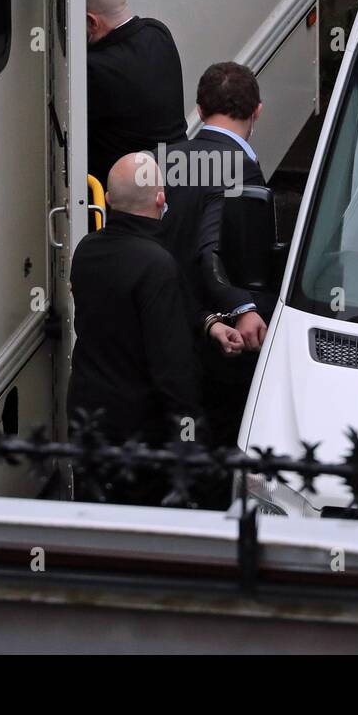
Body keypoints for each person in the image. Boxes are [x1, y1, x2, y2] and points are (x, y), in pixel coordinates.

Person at [69, 152, 242, 504]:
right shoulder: (155, 263)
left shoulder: (87, 250)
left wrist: (208, 324)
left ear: (111, 200)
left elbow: (127, 311)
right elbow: (171, 364)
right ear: (161, 199)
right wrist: (192, 431)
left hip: (88, 414)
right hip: (138, 430)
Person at [160, 63, 272, 448]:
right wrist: (244, 306)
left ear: (200, 109)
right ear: (257, 111)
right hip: (223, 342)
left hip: (170, 325)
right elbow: (230, 256)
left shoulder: (169, 160)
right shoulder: (244, 171)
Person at [85, 0, 188, 185]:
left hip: (133, 192)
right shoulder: (158, 32)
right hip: (179, 173)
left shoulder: (96, 69)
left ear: (91, 21)